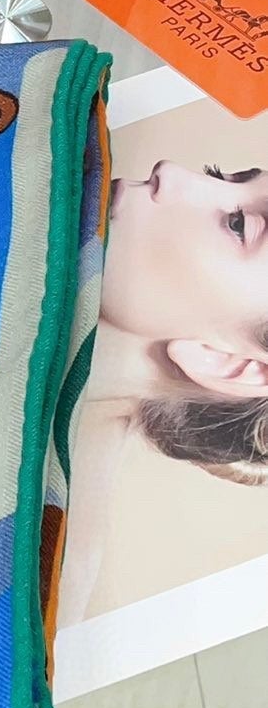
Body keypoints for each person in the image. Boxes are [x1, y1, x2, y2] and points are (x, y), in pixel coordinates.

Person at [60, 156, 268, 622]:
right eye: (220, 175)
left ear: (228, 362)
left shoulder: (45, 563)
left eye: (239, 225)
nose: (168, 170)